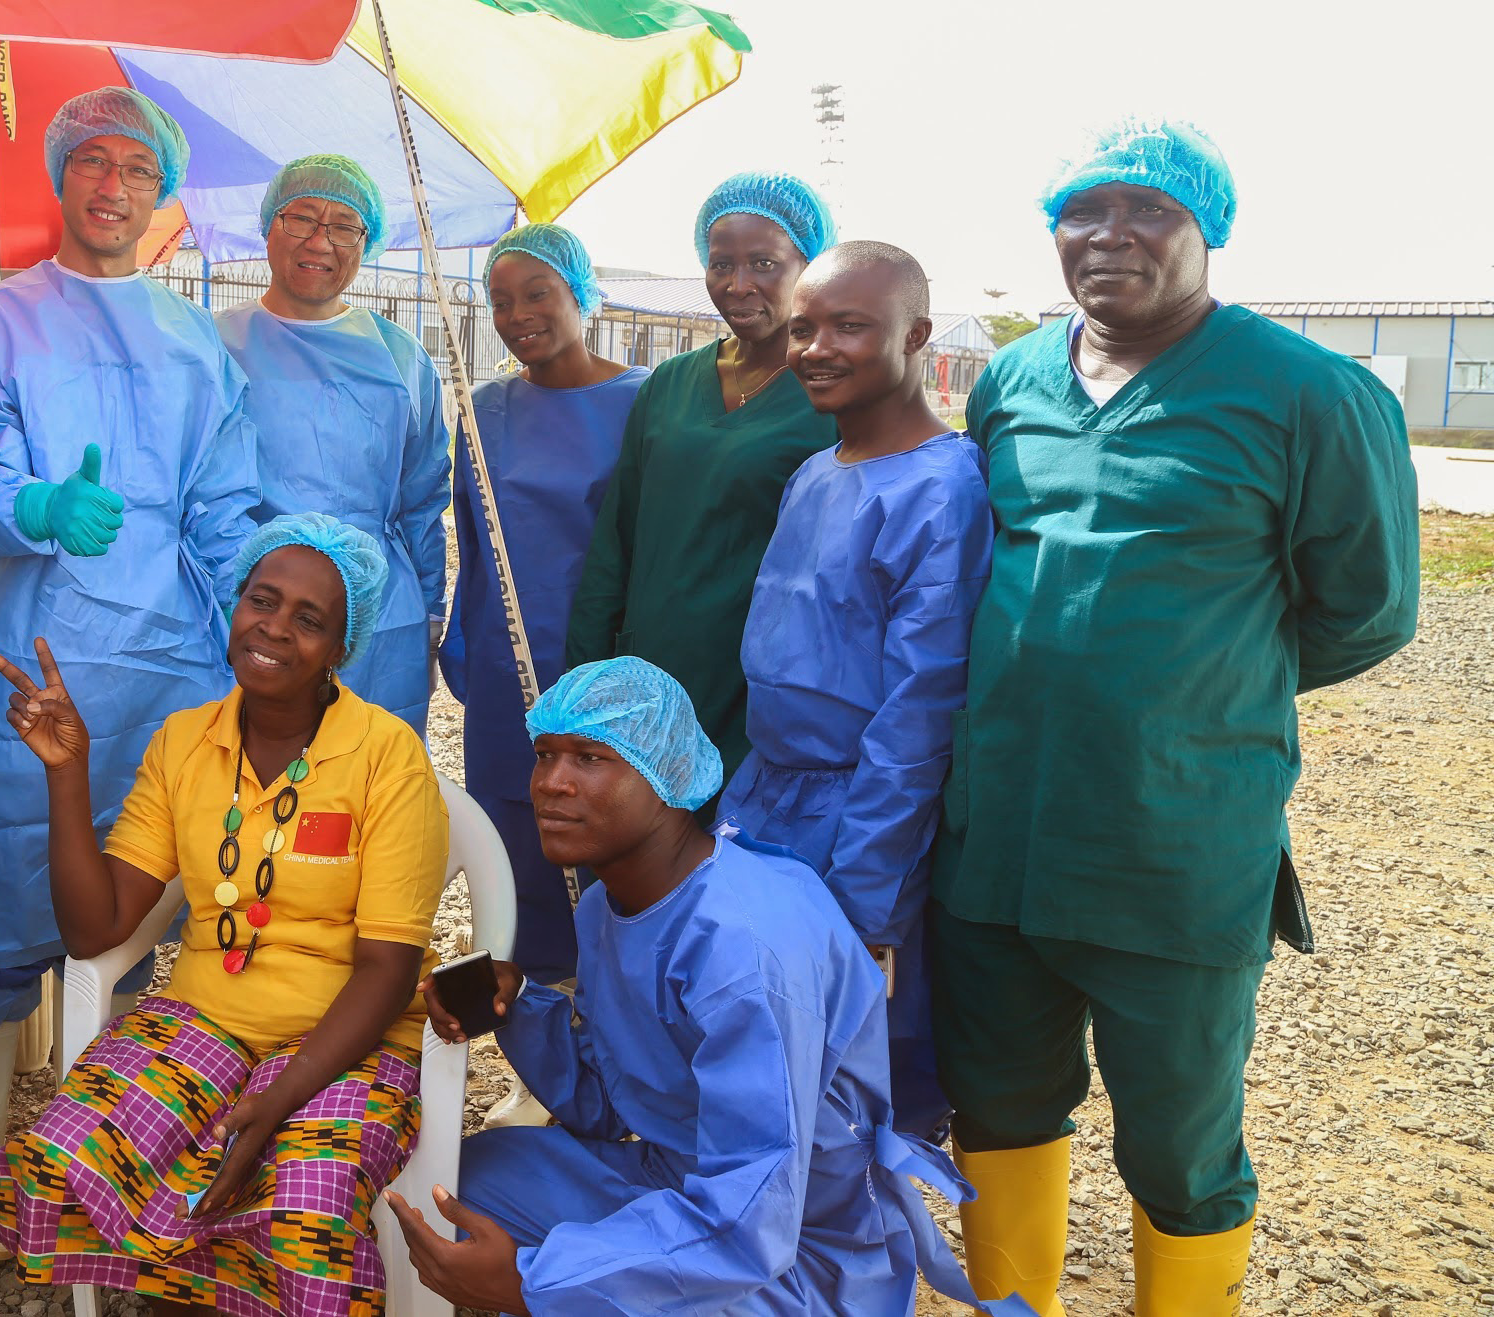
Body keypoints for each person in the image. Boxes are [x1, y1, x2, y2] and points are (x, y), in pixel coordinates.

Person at [933, 118, 1419, 1316]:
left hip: (1171, 848)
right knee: (993, 1101)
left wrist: (1195, 688)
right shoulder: (1013, 381)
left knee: (1177, 1143)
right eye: (1080, 213)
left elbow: (1367, 610)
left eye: (1146, 210)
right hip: (995, 839)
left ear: (1207, 231)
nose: (1107, 236)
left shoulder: (1308, 394)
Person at [384, 659, 1034, 1316]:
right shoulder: (611, 908)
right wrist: (517, 1003)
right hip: (682, 1182)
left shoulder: (745, 950)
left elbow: (751, 1223)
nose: (552, 783)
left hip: (796, 1252)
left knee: (561, 1281)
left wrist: (534, 1282)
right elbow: (618, 1102)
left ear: (664, 774)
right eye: (545, 754)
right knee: (471, 1179)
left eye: (589, 757)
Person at [0, 86, 261, 1261]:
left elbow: (227, 506)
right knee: (1, 918)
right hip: (25, 658)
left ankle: (105, 1162)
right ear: (60, 178)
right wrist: (34, 505)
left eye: (136, 168)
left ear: (158, 193)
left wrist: (252, 626)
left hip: (167, 660)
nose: (112, 186)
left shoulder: (196, 345)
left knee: (137, 914)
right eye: (92, 164)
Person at [0, 513, 449, 1316]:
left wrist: (276, 1099)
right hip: (204, 1019)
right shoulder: (184, 741)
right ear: (234, 608)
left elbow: (388, 967)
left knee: (305, 1198)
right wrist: (68, 772)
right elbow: (100, 930)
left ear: (342, 646)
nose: (276, 627)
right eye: (262, 600)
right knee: (72, 1150)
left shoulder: (385, 754)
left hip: (347, 1036)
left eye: (310, 619)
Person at [717, 241, 989, 1142]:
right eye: (804, 328)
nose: (817, 347)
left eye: (850, 326)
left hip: (859, 822)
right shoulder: (815, 470)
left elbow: (918, 714)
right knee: (765, 1041)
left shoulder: (941, 490)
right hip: (770, 799)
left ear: (915, 335)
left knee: (856, 1072)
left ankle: (861, 1260)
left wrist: (866, 892)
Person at [567, 172, 842, 791]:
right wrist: (588, 668)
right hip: (652, 666)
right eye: (721, 264)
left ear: (809, 266)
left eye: (765, 263)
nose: (738, 285)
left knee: (731, 848)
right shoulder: (670, 384)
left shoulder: (830, 394)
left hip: (758, 681)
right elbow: (618, 536)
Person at [439, 221, 647, 984]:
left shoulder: (643, 402)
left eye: (538, 293)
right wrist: (463, 644)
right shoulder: (484, 407)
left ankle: (617, 1011)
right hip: (505, 661)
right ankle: (536, 1021)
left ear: (581, 296)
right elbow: (471, 540)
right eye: (499, 301)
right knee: (516, 832)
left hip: (605, 660)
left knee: (608, 832)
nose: (519, 313)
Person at [217, 155, 449, 735]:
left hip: (376, 613)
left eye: (345, 225)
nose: (321, 240)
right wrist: (228, 598)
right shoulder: (216, 346)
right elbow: (198, 492)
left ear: (366, 243)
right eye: (301, 219)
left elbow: (423, 494)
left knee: (371, 788)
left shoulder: (398, 357)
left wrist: (427, 605)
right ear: (270, 225)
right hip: (257, 610)